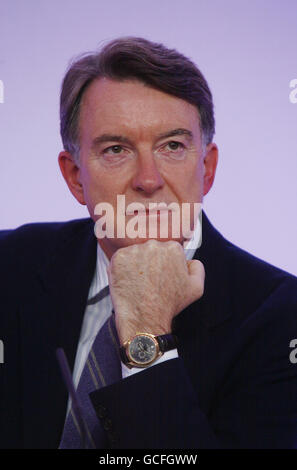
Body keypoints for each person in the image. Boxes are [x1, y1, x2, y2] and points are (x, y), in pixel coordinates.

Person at [0, 36, 296, 450]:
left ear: (206, 169)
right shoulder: (10, 264)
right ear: (74, 177)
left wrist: (146, 333)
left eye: (172, 146)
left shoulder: (281, 314)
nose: (149, 180)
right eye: (116, 149)